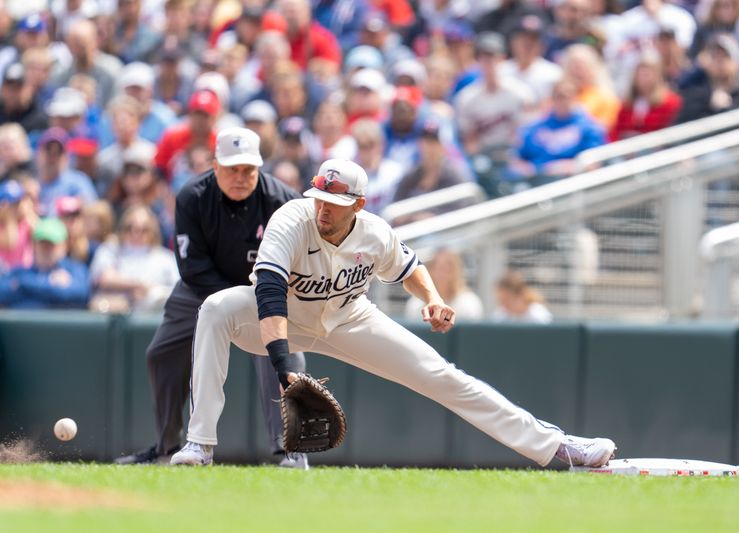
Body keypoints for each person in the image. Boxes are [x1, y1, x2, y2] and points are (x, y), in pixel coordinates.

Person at [170, 158, 616, 468]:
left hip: (349, 319)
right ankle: (200, 443)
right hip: (280, 316)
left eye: (335, 203)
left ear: (359, 205)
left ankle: (557, 446)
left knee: (442, 375)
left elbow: (409, 267)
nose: (323, 208)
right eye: (320, 198)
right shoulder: (292, 219)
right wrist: (284, 366)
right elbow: (267, 293)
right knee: (215, 309)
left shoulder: (374, 232)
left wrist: (433, 298)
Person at [114, 127, 308, 468]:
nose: (240, 176)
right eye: (232, 168)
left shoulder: (284, 202)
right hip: (202, 289)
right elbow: (193, 269)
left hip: (264, 290)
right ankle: (166, 446)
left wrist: (263, 300)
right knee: (162, 352)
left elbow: (302, 261)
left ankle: (290, 448)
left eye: (248, 169)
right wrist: (231, 305)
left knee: (282, 353)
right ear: (215, 165)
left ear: (260, 167)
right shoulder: (192, 195)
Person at [88, 204, 180, 314]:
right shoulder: (110, 249)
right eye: (130, 228)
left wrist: (149, 292)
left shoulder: (165, 258)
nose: (136, 233)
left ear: (153, 231)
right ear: (122, 228)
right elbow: (105, 278)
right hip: (112, 315)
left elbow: (177, 290)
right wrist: (137, 286)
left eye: (144, 229)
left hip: (153, 317)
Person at [0, 217, 90, 309]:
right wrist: (50, 284)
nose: (46, 249)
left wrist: (21, 285)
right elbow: (2, 293)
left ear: (65, 245)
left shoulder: (75, 270)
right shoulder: (19, 272)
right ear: (34, 245)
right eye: (42, 243)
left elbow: (80, 294)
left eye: (51, 244)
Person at [405, 249, 484, 321]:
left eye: (447, 267)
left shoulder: (469, 303)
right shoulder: (416, 304)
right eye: (438, 267)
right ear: (429, 271)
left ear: (456, 271)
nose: (442, 273)